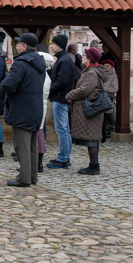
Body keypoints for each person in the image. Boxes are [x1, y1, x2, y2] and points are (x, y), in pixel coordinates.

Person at [0, 33, 46, 187]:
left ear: (25, 46)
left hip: (21, 108)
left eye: (19, 44)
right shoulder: (40, 63)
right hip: (35, 107)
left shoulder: (20, 63)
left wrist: (2, 84)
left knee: (22, 146)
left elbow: (8, 85)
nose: (17, 46)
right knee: (32, 145)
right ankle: (32, 176)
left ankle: (24, 178)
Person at [65, 47, 107, 175]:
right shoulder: (90, 71)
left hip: (90, 110)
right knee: (92, 138)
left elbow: (85, 90)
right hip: (90, 109)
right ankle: (93, 165)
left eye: (84, 55)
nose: (82, 57)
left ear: (89, 59)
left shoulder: (91, 73)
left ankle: (94, 166)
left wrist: (70, 95)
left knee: (92, 139)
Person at [48, 34, 80, 169]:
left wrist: (49, 90)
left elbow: (62, 81)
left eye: (53, 44)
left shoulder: (64, 60)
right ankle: (64, 156)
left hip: (61, 97)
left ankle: (63, 159)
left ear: (59, 45)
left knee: (62, 129)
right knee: (63, 129)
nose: (51, 46)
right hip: (60, 97)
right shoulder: (63, 59)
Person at [99, 58, 119, 142]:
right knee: (101, 117)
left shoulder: (113, 75)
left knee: (107, 117)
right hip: (100, 98)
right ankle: (101, 135)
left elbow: (115, 88)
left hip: (108, 99)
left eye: (107, 66)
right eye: (104, 66)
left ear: (111, 67)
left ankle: (106, 134)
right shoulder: (100, 74)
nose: (105, 67)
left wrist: (103, 88)